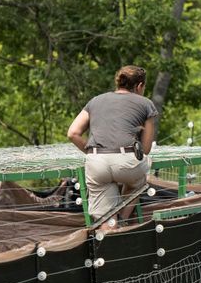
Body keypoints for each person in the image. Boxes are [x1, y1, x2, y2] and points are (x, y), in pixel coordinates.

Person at [66, 65, 159, 222]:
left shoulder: (95, 101)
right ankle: (123, 217)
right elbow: (146, 149)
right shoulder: (145, 103)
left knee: (104, 217)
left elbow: (72, 133)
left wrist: (91, 152)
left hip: (97, 161)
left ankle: (109, 224)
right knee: (139, 178)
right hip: (127, 162)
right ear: (140, 86)